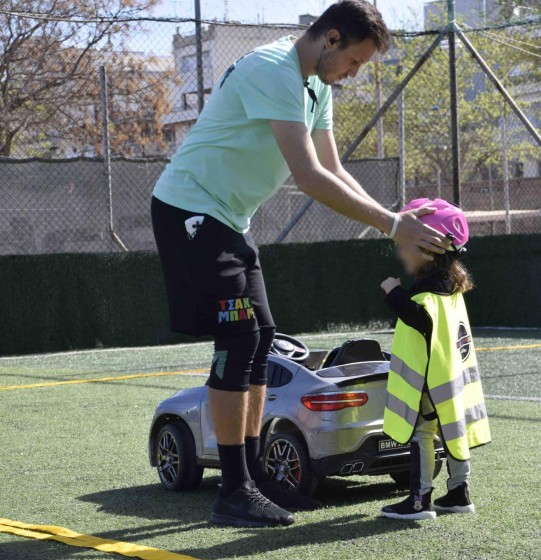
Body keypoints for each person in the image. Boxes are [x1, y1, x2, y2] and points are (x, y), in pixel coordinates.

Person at [150, 0, 449, 528]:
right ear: (330, 38)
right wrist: (391, 226)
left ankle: (256, 480)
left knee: (262, 340)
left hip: (229, 219)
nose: (354, 74)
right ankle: (234, 490)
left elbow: (333, 166)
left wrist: (397, 216)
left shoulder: (317, 87)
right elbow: (309, 177)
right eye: (355, 61)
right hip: (189, 210)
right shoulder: (272, 69)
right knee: (239, 339)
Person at [379, 199, 491, 521]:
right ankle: (458, 492)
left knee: (422, 434)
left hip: (429, 381)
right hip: (449, 380)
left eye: (405, 245)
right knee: (455, 431)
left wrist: (393, 294)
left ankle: (419, 500)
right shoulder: (451, 289)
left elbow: (421, 320)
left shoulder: (425, 292)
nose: (401, 252)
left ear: (428, 250)